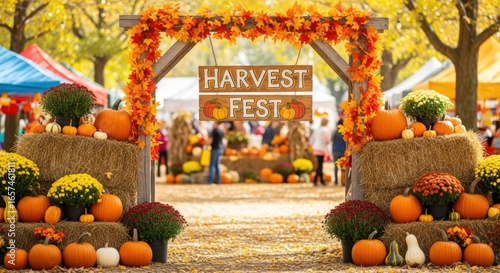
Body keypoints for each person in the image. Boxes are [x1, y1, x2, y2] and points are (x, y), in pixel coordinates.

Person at [309, 117, 331, 186]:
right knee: (320, 166)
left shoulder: (317, 129)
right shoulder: (324, 130)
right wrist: (327, 142)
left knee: (319, 165)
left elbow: (312, 138)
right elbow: (326, 140)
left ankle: (322, 181)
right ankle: (315, 181)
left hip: (316, 148)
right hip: (321, 149)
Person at [207, 120, 225, 184]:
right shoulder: (221, 131)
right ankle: (218, 180)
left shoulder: (214, 131)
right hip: (220, 148)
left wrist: (205, 144)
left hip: (215, 148)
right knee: (217, 165)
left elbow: (210, 140)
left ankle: (210, 181)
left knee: (212, 165)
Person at [332, 118, 347, 186]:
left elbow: (332, 139)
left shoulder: (335, 131)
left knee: (335, 167)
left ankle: (336, 181)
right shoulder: (345, 132)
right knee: (343, 167)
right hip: (343, 150)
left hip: (335, 150)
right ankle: (343, 181)